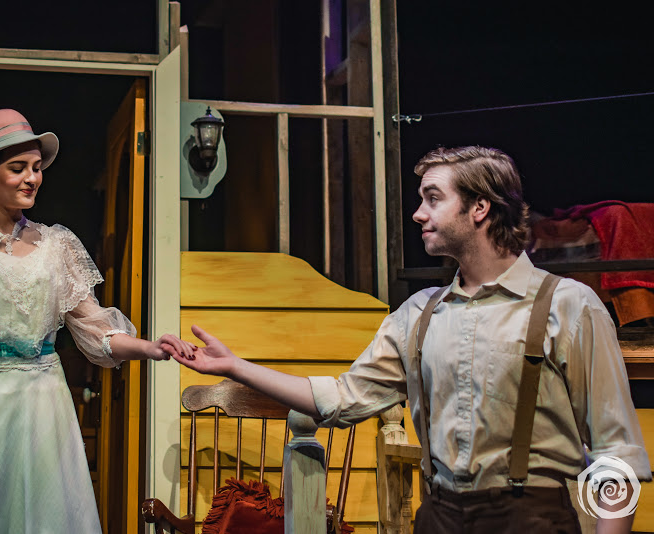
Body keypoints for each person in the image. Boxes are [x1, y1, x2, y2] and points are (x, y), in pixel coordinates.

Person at [173, 146, 650, 533]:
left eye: (433, 198)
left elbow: (617, 452)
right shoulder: (419, 315)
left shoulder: (570, 305)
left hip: (532, 517)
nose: (419, 214)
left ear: (480, 207)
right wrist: (236, 367)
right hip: (439, 515)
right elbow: (342, 398)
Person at [0, 109, 194, 533]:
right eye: (17, 169)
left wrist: (150, 348)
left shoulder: (58, 245)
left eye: (36, 168)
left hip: (42, 409)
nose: (31, 178)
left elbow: (95, 330)